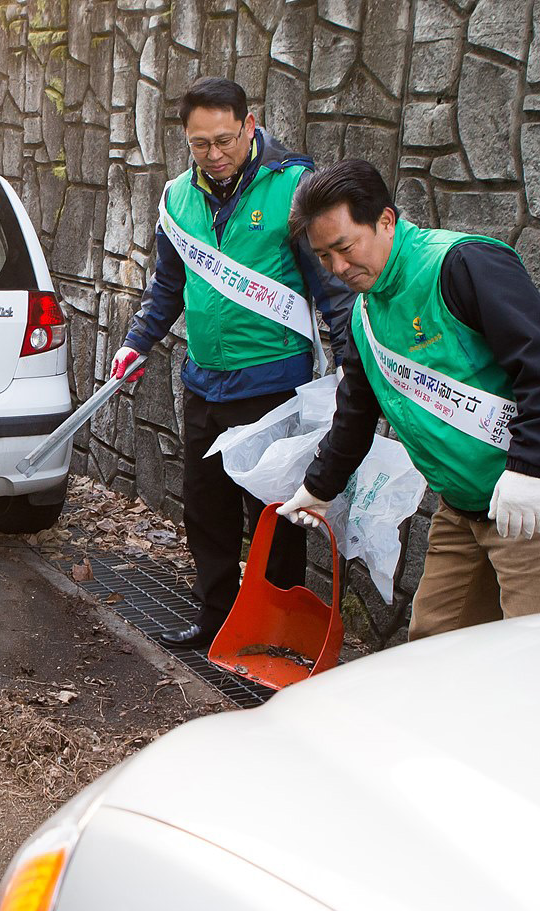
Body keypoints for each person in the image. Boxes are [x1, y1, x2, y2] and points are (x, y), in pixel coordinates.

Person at [278, 159, 540, 637]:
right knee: (432, 646)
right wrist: (318, 488)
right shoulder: (364, 314)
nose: (338, 269)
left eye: (345, 248)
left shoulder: (464, 264)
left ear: (385, 221)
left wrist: (530, 469)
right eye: (323, 256)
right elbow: (356, 413)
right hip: (463, 505)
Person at [111, 77, 354, 651]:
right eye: (200, 144)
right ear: (186, 139)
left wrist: (352, 365)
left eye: (224, 140)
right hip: (204, 382)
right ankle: (215, 616)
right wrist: (137, 341)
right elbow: (168, 286)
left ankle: (273, 627)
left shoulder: (294, 187)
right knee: (206, 508)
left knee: (274, 517)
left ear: (249, 125)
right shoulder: (178, 198)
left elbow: (333, 288)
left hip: (272, 382)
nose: (214, 154)